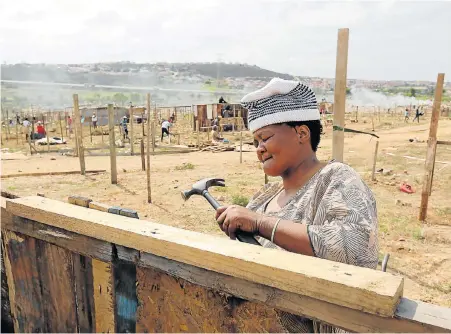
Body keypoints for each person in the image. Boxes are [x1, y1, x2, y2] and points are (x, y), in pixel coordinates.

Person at [215, 78, 378, 333]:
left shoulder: (335, 180)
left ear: (301, 133)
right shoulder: (263, 199)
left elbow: (353, 247)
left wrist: (259, 223)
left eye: (265, 138)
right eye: (255, 142)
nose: (259, 149)